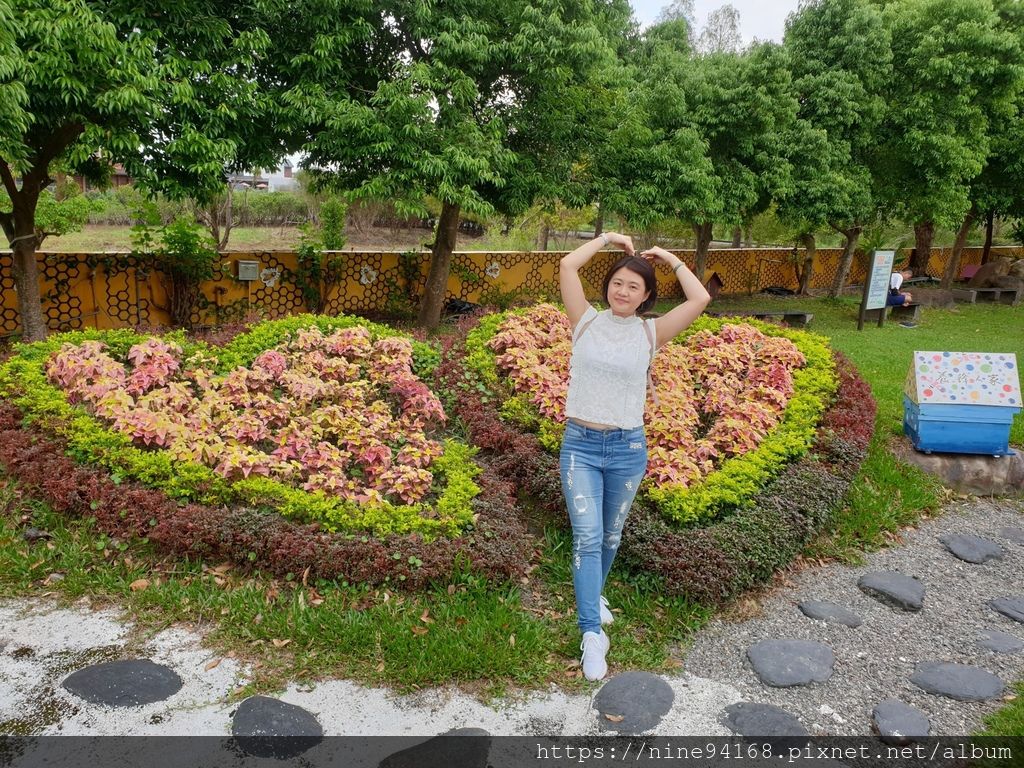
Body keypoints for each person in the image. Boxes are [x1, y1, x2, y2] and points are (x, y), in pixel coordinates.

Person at [558, 231, 711, 681]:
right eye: (617, 283)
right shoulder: (584, 321)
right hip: (580, 446)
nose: (623, 292)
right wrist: (606, 238)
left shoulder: (650, 332)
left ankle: (595, 595)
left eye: (634, 287)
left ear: (646, 296)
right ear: (608, 285)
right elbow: (568, 266)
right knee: (587, 536)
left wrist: (668, 256)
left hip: (627, 448)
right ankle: (591, 633)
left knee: (609, 537)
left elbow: (699, 298)